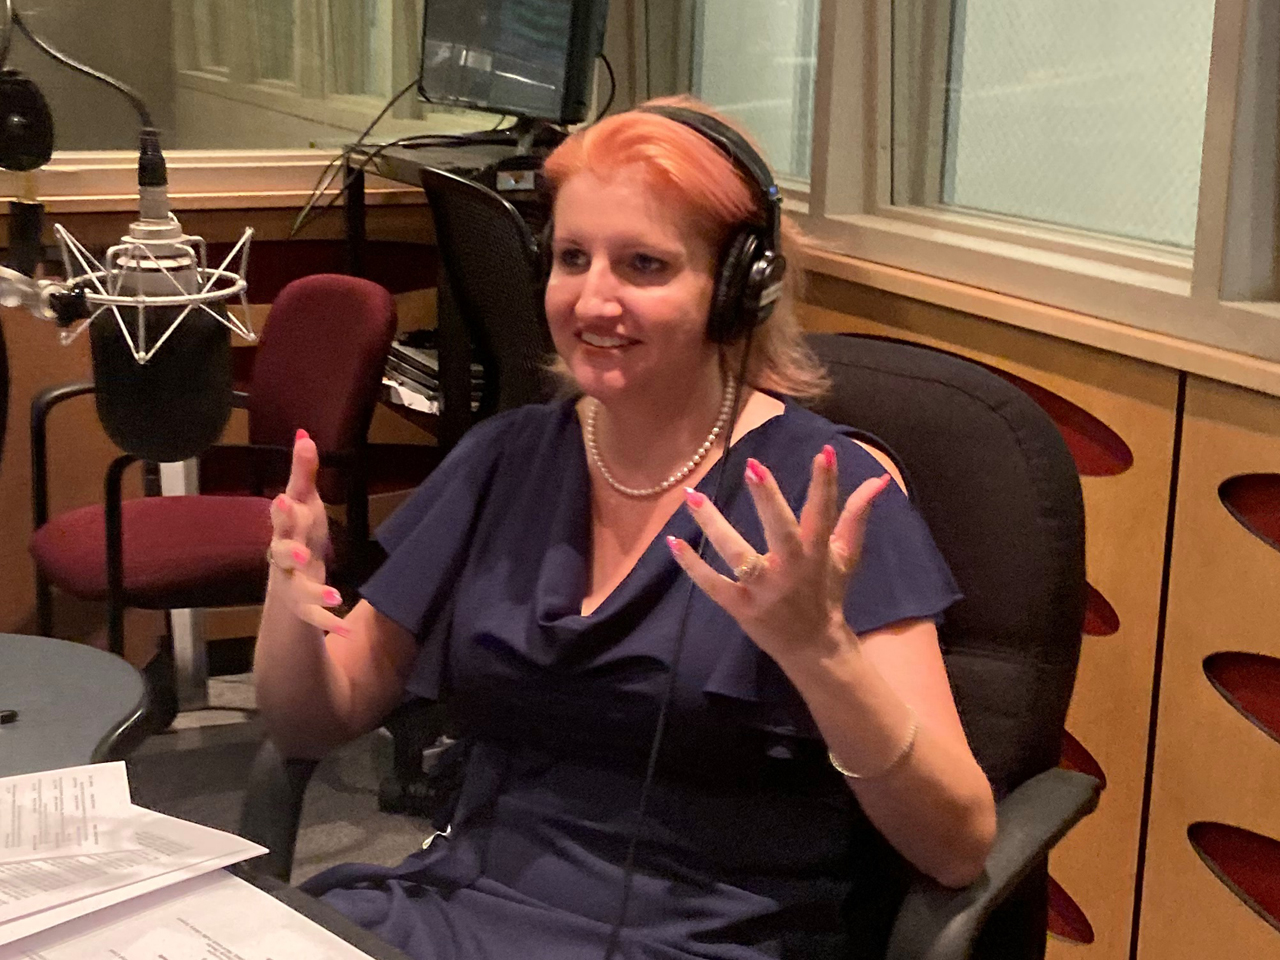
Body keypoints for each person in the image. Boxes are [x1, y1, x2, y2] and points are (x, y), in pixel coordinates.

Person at [253, 97, 996, 960]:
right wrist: (292, 590)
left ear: (736, 288)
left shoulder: (823, 496)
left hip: (701, 942)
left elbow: (958, 842)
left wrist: (821, 658)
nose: (592, 299)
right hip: (458, 908)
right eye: (572, 258)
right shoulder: (507, 458)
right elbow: (314, 721)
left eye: (643, 264)